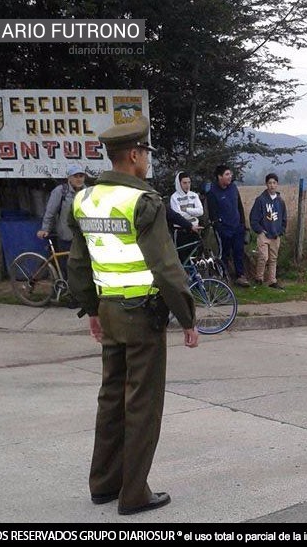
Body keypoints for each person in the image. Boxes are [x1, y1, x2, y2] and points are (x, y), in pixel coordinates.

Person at [67, 116, 199, 516]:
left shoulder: (84, 199)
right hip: (142, 316)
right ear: (134, 155)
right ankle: (134, 493)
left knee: (110, 398)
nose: (146, 163)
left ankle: (104, 485)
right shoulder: (142, 201)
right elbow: (167, 268)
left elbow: (77, 264)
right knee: (141, 404)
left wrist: (91, 309)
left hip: (108, 311)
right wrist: (188, 318)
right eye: (145, 155)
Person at [37, 164, 87, 285]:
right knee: (67, 268)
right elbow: (50, 212)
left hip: (83, 236)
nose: (79, 179)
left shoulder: (87, 192)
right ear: (69, 178)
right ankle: (65, 291)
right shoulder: (60, 191)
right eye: (76, 176)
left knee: (82, 268)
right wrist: (45, 229)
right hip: (66, 236)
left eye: (81, 176)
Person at [206, 164, 250, 287]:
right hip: (223, 229)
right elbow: (212, 214)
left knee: (238, 252)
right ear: (219, 177)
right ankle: (224, 277)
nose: (230, 176)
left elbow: (239, 206)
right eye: (227, 174)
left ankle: (240, 276)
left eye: (230, 174)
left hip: (237, 227)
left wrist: (243, 224)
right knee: (224, 254)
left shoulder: (233, 188)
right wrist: (218, 227)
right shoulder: (213, 192)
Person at [249, 173, 287, 289]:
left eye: (274, 183)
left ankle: (272, 280)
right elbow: (253, 218)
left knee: (273, 258)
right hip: (264, 234)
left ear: (277, 184)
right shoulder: (261, 200)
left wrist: (281, 230)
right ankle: (259, 278)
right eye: (269, 183)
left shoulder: (280, 201)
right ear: (266, 184)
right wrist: (260, 230)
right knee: (263, 256)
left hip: (275, 234)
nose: (272, 185)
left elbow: (284, 218)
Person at [170, 171, 204, 263]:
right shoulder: (174, 197)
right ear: (179, 183)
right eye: (184, 183)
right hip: (181, 231)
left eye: (189, 182)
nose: (187, 185)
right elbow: (178, 215)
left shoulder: (194, 195)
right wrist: (193, 212)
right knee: (183, 259)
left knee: (196, 258)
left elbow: (200, 211)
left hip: (195, 230)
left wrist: (186, 209)